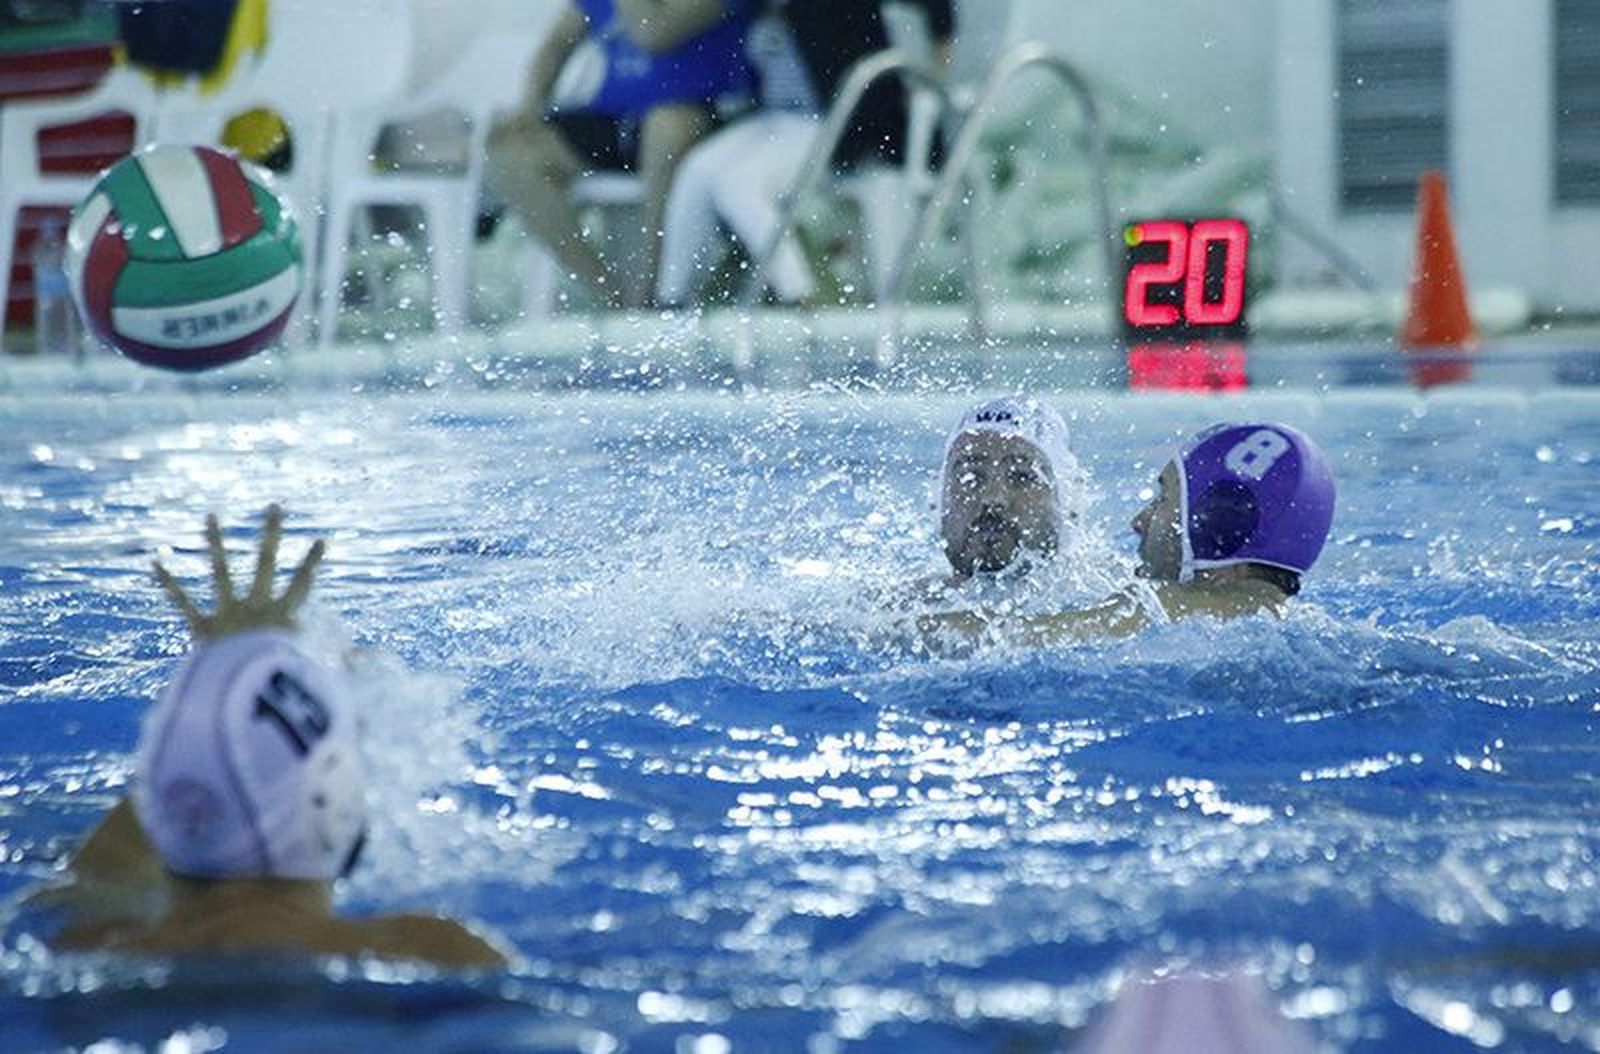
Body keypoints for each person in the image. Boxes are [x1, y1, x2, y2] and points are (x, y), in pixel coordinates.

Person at [27, 506, 507, 968]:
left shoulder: (77, 944)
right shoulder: (435, 956)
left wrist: (221, 674)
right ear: (337, 805)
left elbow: (110, 867)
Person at [917, 409, 1337, 643]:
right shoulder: (1274, 618)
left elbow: (1003, 641)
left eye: (1164, 499)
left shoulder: (1163, 608)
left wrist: (876, 632)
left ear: (1217, 526)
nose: (1140, 520)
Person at [654, 0, 956, 307]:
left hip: (835, 123)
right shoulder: (750, 8)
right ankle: (671, 300)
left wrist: (934, 76)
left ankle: (799, 297)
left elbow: (939, 10)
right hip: (775, 118)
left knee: (739, 184)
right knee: (697, 168)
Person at [487, 0, 759, 307]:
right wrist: (529, 105)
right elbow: (556, 44)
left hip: (704, 115)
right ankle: (612, 298)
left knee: (665, 129)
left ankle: (656, 293)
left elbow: (653, 33)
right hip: (620, 115)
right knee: (508, 150)